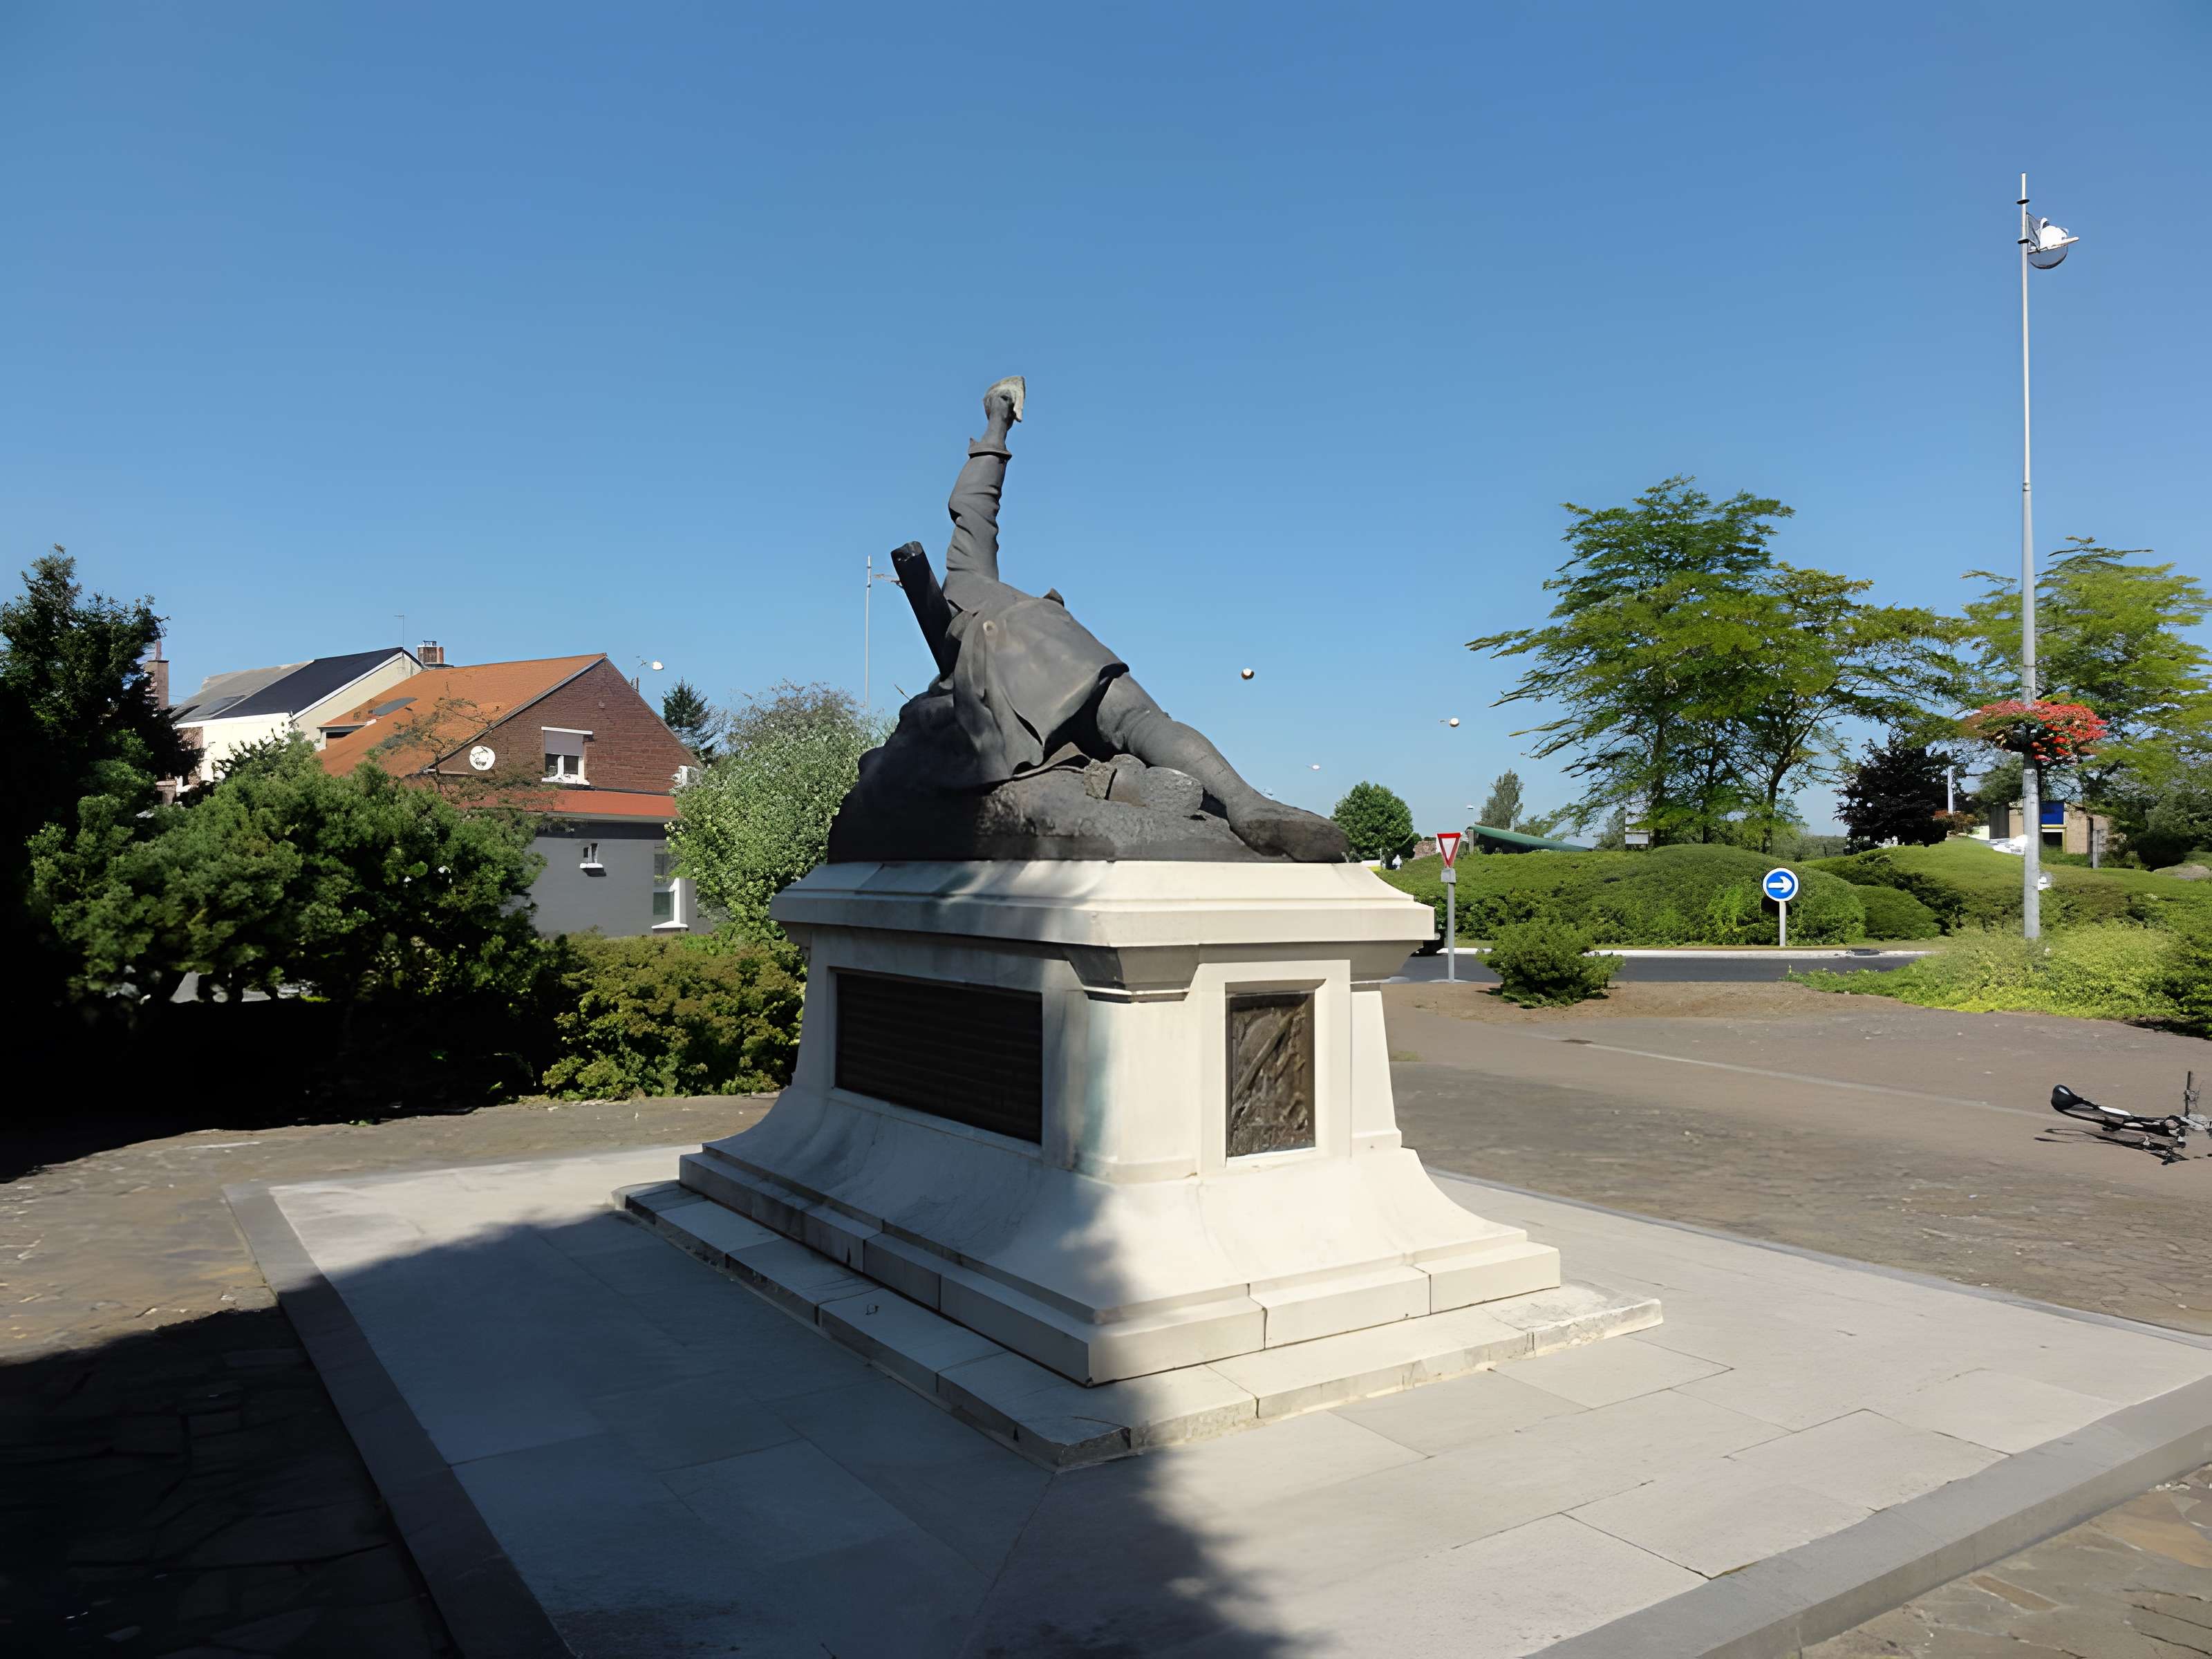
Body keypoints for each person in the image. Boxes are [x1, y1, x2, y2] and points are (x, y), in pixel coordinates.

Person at [908, 377, 1345, 862]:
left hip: (1012, 680)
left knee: (1071, 752)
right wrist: (997, 420)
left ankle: (1122, 781)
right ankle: (1245, 802)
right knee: (1146, 723)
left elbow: (972, 508)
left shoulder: (962, 588)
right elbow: (974, 506)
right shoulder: (970, 575)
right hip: (1063, 647)